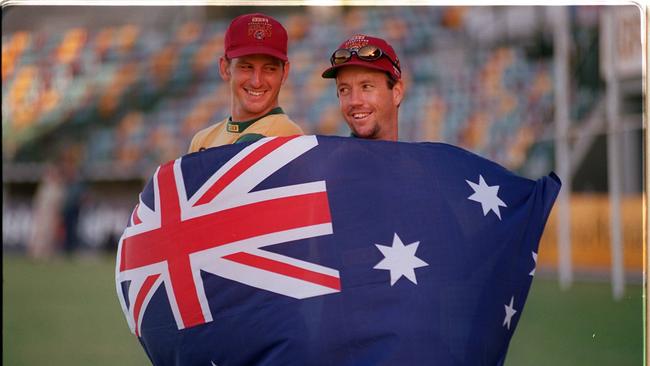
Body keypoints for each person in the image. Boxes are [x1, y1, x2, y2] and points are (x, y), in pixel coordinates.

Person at [188, 13, 303, 152]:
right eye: (246, 67)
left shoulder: (289, 138)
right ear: (225, 68)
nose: (256, 82)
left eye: (269, 69)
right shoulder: (202, 140)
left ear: (284, 72)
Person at [321, 34, 405, 141]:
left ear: (396, 93)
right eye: (344, 89)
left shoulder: (424, 156)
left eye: (366, 86)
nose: (354, 101)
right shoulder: (327, 157)